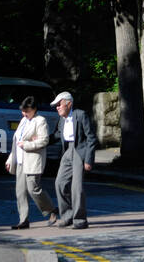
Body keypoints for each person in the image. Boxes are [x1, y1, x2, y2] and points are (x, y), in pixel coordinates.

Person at [5, 95, 57, 230]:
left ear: (34, 109)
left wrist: (27, 144)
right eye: (23, 111)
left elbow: (44, 140)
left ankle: (51, 210)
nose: (24, 113)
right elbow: (17, 142)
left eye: (27, 111)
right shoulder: (23, 121)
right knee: (20, 192)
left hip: (33, 160)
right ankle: (23, 220)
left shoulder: (40, 121)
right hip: (21, 160)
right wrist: (11, 159)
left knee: (34, 189)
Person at [51, 91, 96, 229]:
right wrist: (42, 141)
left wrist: (88, 160)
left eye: (59, 104)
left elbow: (91, 138)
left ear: (69, 103)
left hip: (79, 151)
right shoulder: (62, 120)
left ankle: (80, 220)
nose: (57, 107)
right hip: (67, 152)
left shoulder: (80, 115)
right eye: (56, 105)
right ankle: (67, 216)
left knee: (77, 187)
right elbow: (57, 135)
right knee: (60, 183)